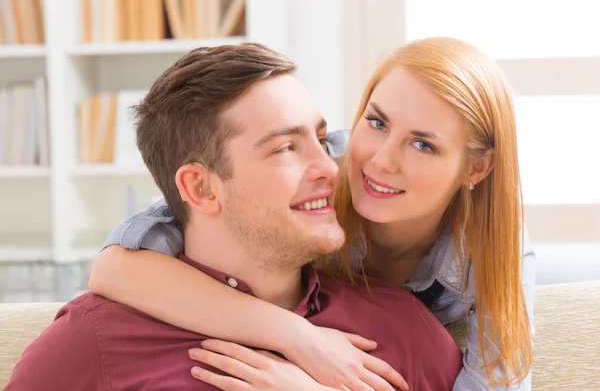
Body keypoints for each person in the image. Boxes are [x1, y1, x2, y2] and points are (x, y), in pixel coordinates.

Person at [6, 43, 463, 391]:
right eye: (286, 148)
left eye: (321, 142)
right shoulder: (95, 342)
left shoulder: (401, 329)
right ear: (201, 188)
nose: (329, 167)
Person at [89, 37, 535, 390]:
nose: (380, 161)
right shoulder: (322, 168)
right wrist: (297, 337)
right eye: (376, 122)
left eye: (424, 144)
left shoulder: (496, 251)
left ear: (475, 167)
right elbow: (116, 266)